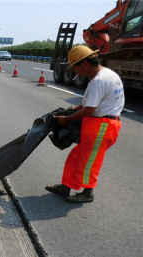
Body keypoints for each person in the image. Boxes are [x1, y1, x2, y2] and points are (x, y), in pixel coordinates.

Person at [46, 45, 124, 203]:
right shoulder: (107, 75)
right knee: (76, 157)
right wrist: (75, 108)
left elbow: (89, 110)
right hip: (101, 124)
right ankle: (66, 186)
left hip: (102, 125)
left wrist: (66, 119)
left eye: (75, 68)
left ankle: (88, 193)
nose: (75, 72)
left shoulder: (98, 81)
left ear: (84, 64)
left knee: (90, 161)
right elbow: (91, 104)